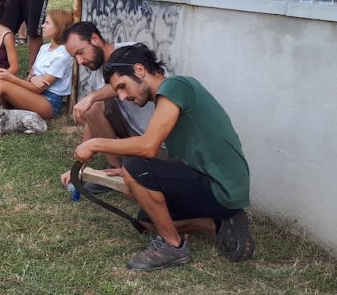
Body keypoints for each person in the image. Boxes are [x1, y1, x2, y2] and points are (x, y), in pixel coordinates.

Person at [65, 43, 254, 270]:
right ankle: (219, 223)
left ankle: (172, 246)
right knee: (146, 219)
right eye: (118, 91)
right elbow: (172, 161)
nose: (122, 97)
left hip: (222, 187)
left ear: (139, 70)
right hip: (212, 185)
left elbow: (148, 147)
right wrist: (130, 176)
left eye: (123, 87)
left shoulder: (176, 87)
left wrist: (95, 144)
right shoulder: (167, 98)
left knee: (136, 166)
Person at [62, 21, 159, 193]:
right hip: (130, 130)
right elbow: (93, 119)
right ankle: (113, 171)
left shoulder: (129, 53)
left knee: (94, 102)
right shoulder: (97, 74)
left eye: (80, 52)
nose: (80, 61)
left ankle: (130, 170)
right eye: (74, 57)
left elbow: (129, 83)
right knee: (93, 107)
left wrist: (92, 97)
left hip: (155, 137)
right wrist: (80, 164)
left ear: (95, 39)